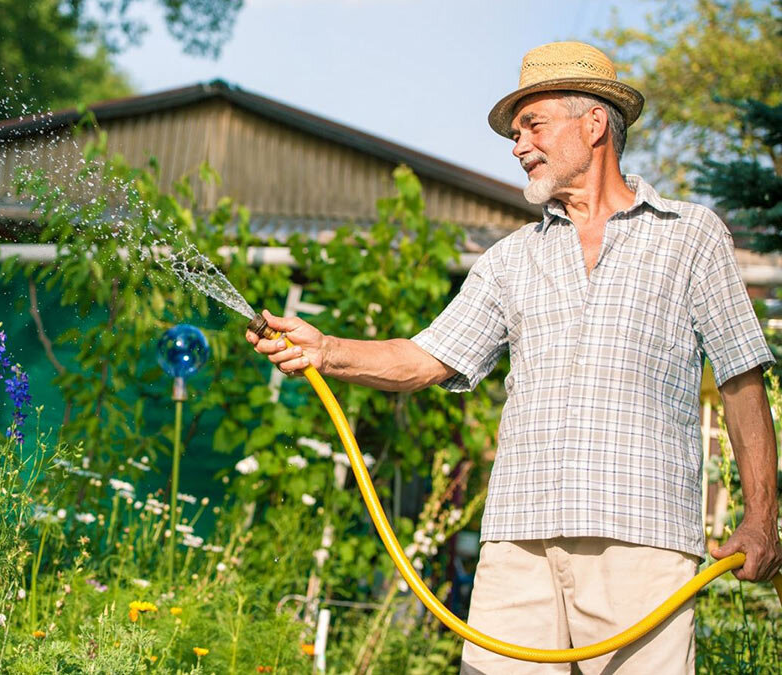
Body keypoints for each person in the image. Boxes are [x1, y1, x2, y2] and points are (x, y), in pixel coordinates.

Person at [246, 41, 782, 674]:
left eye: (533, 124)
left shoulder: (691, 235)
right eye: (515, 131)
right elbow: (425, 359)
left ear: (594, 123)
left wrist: (760, 519)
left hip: (642, 540)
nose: (517, 144)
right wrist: (327, 349)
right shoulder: (510, 258)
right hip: (518, 544)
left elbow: (741, 377)